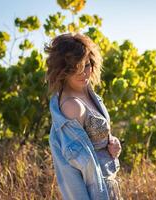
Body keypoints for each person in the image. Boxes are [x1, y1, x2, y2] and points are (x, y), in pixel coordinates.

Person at [45, 33, 123, 200]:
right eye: (75, 68)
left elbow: (93, 141)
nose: (83, 73)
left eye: (86, 65)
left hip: (109, 187)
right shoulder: (72, 106)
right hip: (97, 193)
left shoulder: (87, 92)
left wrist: (111, 142)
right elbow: (70, 171)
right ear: (62, 70)